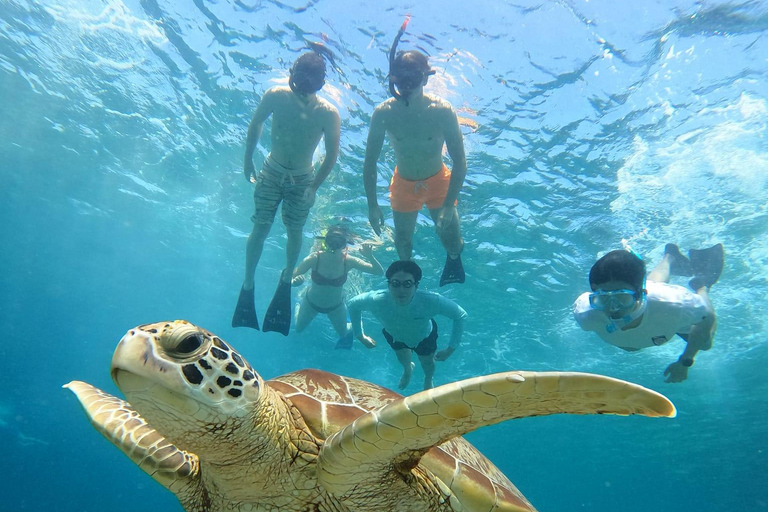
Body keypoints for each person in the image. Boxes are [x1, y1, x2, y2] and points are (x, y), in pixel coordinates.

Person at [232, 51, 341, 335]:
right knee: (261, 227)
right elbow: (256, 123)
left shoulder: (328, 113)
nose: (304, 85)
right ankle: (248, 282)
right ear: (292, 74)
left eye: (311, 80)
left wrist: (314, 186)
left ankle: (287, 276)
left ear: (321, 83)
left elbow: (332, 155)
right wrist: (247, 158)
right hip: (271, 171)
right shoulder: (276, 95)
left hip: (302, 179)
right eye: (300, 77)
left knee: (294, 230)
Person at [363, 22, 467, 286]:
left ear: (425, 79)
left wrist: (447, 205)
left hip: (438, 180)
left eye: (413, 81)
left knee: (452, 241)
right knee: (401, 241)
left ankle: (453, 259)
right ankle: (408, 280)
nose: (406, 88)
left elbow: (460, 161)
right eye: (401, 81)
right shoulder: (384, 113)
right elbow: (370, 162)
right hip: (403, 183)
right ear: (393, 79)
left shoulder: (442, 110)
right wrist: (372, 205)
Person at [573, 243, 724, 383]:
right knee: (631, 347)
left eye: (622, 298)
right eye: (603, 299)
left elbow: (707, 317)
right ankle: (670, 256)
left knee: (705, 344)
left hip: (664, 313)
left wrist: (685, 362)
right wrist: (620, 298)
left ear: (641, 294)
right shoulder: (586, 313)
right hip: (651, 302)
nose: (613, 308)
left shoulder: (674, 305)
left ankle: (701, 285)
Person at [347, 260, 468, 390]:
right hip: (395, 336)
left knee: (427, 364)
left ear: (416, 285)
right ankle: (408, 370)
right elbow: (352, 305)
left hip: (424, 337)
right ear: (389, 285)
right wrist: (360, 335)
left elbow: (460, 315)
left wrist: (450, 349)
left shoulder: (430, 300)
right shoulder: (376, 300)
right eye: (396, 283)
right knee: (403, 360)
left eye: (407, 284)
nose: (401, 290)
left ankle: (428, 379)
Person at [291, 225, 384, 347]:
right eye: (331, 239)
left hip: (335, 307)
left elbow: (379, 272)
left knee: (344, 333)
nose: (334, 243)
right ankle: (298, 305)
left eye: (339, 240)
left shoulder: (349, 261)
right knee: (298, 329)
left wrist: (370, 256)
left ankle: (358, 332)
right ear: (326, 240)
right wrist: (294, 282)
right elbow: (291, 276)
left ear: (345, 243)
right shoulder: (314, 258)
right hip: (310, 304)